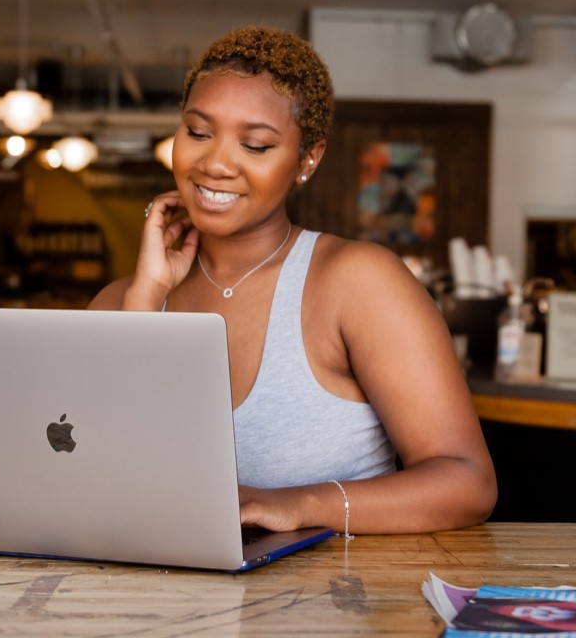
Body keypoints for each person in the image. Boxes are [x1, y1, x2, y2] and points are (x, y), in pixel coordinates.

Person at [89, 26, 497, 536]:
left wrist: (300, 505)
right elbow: (92, 475)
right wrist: (146, 299)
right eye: (197, 132)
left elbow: (467, 482)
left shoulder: (358, 282)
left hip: (334, 603)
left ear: (307, 160)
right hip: (158, 603)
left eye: (256, 145)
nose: (215, 163)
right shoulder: (120, 301)